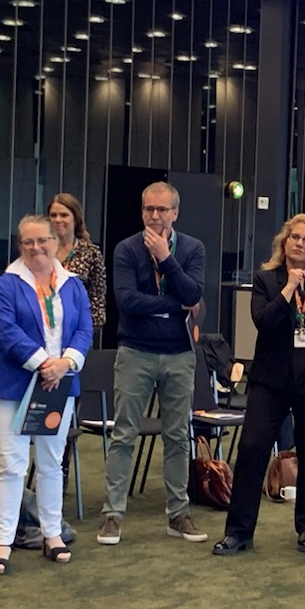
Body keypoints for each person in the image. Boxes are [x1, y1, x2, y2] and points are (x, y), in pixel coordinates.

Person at [215, 214, 305, 555]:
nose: (300, 244)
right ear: (284, 241)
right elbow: (264, 321)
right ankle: (239, 531)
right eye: (295, 237)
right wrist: (289, 287)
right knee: (251, 450)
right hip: (270, 382)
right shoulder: (266, 280)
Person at [99, 181, 209, 545]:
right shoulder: (126, 249)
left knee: (178, 436)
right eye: (149, 209)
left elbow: (193, 293)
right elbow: (127, 302)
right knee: (123, 434)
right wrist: (173, 307)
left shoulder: (192, 248)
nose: (155, 216)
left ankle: (178, 514)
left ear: (175, 212)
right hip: (136, 352)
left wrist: (165, 258)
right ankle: (112, 515)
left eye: (162, 210)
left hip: (179, 354)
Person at [0, 214, 92, 575]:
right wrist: (44, 363)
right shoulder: (6, 284)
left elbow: (84, 330)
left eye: (43, 240)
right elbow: (6, 330)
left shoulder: (73, 284)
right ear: (20, 246)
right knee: (11, 465)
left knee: (51, 462)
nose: (36, 247)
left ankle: (51, 534)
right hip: (14, 387)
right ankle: (3, 539)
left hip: (58, 386)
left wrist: (65, 364)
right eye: (28, 242)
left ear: (56, 242)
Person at [48, 192, 106, 339]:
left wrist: (84, 334)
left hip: (76, 333)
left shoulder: (91, 253)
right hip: (43, 330)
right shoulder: (40, 251)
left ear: (75, 219)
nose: (58, 220)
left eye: (64, 215)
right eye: (53, 215)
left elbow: (97, 301)